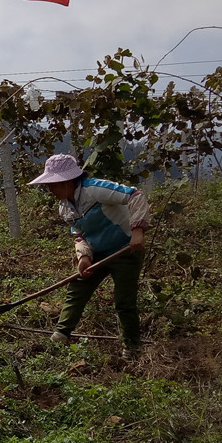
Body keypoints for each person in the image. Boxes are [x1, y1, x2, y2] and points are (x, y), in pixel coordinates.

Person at [28, 154, 151, 360]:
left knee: (124, 301)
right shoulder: (65, 208)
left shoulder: (96, 189)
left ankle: (132, 348)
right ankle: (61, 335)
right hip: (98, 253)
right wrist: (83, 257)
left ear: (66, 181)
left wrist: (137, 230)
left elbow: (135, 196)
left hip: (125, 250)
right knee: (78, 288)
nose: (50, 190)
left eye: (53, 184)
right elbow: (79, 234)